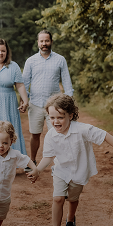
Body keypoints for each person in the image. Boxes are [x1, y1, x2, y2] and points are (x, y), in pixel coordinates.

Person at [27, 94, 113, 226]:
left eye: (60, 117)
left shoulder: (82, 129)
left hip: (79, 171)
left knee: (73, 199)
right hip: (61, 170)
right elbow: (48, 157)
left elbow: (104, 135)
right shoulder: (51, 135)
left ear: (71, 115)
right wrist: (38, 170)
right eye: (52, 118)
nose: (55, 121)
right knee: (58, 198)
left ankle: (70, 218)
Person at [22, 30, 74, 167]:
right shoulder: (31, 61)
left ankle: (59, 163)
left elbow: (67, 82)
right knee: (35, 134)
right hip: (35, 104)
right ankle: (32, 161)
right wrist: (24, 100)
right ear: (38, 43)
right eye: (42, 41)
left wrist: (69, 103)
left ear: (51, 41)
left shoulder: (60, 60)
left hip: (55, 106)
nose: (44, 43)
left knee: (57, 134)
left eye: (47, 41)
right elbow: (25, 83)